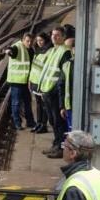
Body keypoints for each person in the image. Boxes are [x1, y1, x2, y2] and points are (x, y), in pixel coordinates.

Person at [37, 26, 72, 158]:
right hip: (47, 91)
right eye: (52, 35)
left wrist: (55, 91)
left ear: (63, 37)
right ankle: (56, 144)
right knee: (53, 121)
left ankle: (61, 149)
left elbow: (63, 75)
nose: (54, 37)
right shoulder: (53, 50)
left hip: (54, 92)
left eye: (57, 35)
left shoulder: (65, 52)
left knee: (59, 122)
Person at [5, 33, 36, 130]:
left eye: (31, 41)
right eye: (27, 41)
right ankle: (17, 123)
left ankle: (30, 122)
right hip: (16, 81)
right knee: (16, 103)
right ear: (23, 40)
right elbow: (11, 50)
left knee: (27, 102)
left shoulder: (30, 49)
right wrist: (8, 51)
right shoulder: (17, 47)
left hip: (26, 81)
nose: (29, 43)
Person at [29, 32, 51, 133]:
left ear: (46, 40)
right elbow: (34, 68)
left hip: (42, 83)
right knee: (38, 104)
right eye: (37, 41)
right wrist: (30, 80)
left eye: (41, 40)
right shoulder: (37, 51)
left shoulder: (48, 51)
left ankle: (44, 125)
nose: (39, 43)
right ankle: (38, 123)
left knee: (44, 105)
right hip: (35, 82)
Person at [60, 38, 75, 131]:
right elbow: (61, 86)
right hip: (69, 105)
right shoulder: (66, 65)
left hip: (75, 106)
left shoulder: (68, 65)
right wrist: (62, 106)